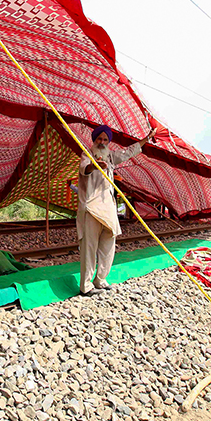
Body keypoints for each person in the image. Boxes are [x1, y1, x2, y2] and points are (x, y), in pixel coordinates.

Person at [77, 125, 156, 296]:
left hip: (108, 207)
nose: (102, 142)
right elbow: (85, 168)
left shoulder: (111, 157)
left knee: (108, 242)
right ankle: (86, 286)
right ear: (94, 139)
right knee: (89, 247)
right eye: (99, 139)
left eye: (105, 140)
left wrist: (146, 139)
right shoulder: (87, 154)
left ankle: (101, 279)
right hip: (91, 206)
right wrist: (94, 165)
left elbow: (128, 152)